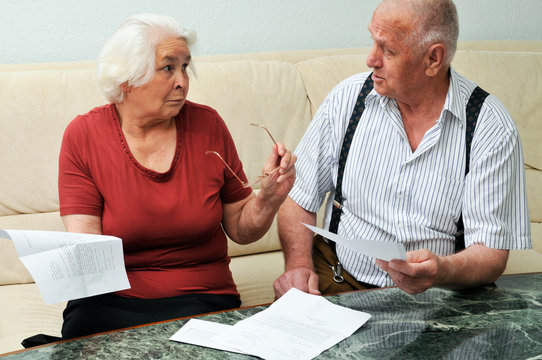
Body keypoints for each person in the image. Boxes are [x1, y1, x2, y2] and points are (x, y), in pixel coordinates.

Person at [58, 13, 296, 339]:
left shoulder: (208, 125)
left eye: (185, 67)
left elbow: (241, 229)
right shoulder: (83, 135)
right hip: (109, 302)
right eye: (168, 67)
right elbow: (87, 251)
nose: (182, 81)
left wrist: (268, 198)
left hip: (200, 297)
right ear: (128, 78)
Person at [273, 0, 531, 299]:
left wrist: (441, 270)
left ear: (433, 59)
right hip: (339, 280)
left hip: (438, 298)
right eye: (373, 42)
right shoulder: (347, 100)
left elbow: (490, 253)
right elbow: (298, 198)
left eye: (389, 50)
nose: (371, 59)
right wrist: (298, 265)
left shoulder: (490, 128)